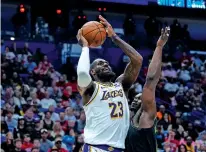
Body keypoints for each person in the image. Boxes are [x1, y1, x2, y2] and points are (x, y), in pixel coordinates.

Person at [77, 15, 143, 152]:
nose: (106, 65)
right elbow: (83, 74)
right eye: (101, 64)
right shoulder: (91, 89)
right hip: (96, 148)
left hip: (118, 148)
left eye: (107, 63)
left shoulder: (121, 84)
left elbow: (137, 60)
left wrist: (114, 37)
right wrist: (85, 47)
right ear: (93, 72)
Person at [125, 27, 170, 152]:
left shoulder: (146, 118)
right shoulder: (126, 123)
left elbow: (151, 80)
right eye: (135, 98)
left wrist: (159, 46)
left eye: (139, 99)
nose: (135, 100)